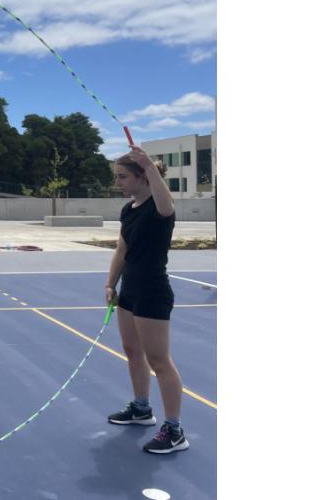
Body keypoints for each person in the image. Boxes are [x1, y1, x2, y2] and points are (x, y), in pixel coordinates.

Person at [104, 146, 189, 454]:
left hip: (153, 291)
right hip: (130, 290)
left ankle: (175, 430)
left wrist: (149, 166)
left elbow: (167, 203)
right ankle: (142, 409)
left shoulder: (159, 207)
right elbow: (121, 251)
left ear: (142, 176)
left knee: (159, 361)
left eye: (123, 176)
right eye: (117, 177)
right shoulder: (129, 210)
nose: (118, 182)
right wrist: (111, 283)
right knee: (132, 351)